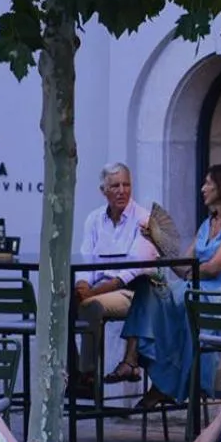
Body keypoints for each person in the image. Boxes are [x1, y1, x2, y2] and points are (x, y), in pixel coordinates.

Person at [110, 164, 221, 408]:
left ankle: (162, 385)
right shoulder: (206, 224)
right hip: (194, 287)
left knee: (183, 302)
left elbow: (215, 267)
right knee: (149, 288)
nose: (203, 188)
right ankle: (132, 360)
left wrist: (189, 271)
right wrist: (159, 245)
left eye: (208, 183)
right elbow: (182, 267)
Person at [74, 162, 156, 383]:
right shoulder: (94, 219)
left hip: (133, 291)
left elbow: (131, 272)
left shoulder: (144, 219)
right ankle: (70, 372)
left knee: (90, 306)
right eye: (115, 186)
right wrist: (82, 284)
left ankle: (87, 374)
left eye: (126, 185)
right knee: (61, 304)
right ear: (103, 191)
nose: (122, 191)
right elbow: (85, 257)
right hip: (97, 288)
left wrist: (91, 293)